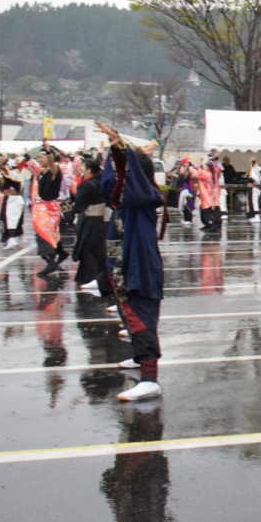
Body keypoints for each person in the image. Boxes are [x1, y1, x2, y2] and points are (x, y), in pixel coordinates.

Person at [98, 122, 168, 402]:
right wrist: (113, 153)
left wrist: (122, 151)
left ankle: (151, 380)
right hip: (125, 268)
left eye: (121, 172)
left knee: (142, 321)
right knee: (129, 315)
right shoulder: (125, 201)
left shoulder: (144, 197)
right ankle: (140, 361)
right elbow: (107, 187)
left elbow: (134, 180)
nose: (115, 179)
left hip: (141, 268)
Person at [71, 159, 109, 297]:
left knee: (87, 247)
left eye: (83, 166)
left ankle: (94, 277)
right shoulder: (101, 181)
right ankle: (93, 277)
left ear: (89, 170)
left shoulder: (86, 184)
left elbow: (78, 204)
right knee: (96, 248)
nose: (80, 167)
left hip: (89, 218)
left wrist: (66, 211)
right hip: (102, 219)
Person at [29, 144, 69, 276]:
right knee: (49, 233)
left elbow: (52, 163)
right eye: (37, 157)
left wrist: (48, 151)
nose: (38, 159)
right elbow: (29, 163)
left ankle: (51, 261)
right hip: (43, 207)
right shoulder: (42, 172)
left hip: (49, 207)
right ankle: (61, 252)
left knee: (43, 234)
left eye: (41, 157)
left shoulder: (54, 170)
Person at [192, 154, 223, 232]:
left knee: (208, 210)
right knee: (213, 209)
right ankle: (211, 224)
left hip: (208, 195)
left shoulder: (207, 173)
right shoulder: (215, 171)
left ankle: (212, 224)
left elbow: (195, 173)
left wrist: (189, 164)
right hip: (212, 193)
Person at [245, 157, 261, 223]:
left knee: (254, 202)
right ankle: (253, 216)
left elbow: (255, 167)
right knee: (251, 203)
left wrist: (253, 161)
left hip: (254, 189)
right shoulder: (253, 172)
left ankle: (257, 216)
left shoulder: (256, 173)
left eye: (251, 164)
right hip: (252, 189)